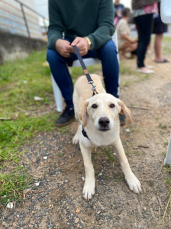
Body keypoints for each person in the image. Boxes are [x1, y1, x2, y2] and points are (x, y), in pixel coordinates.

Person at [47, 0, 125, 127]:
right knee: (52, 55)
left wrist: (89, 40)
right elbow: (54, 27)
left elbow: (107, 25)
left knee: (110, 49)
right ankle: (71, 106)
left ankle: (113, 102)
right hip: (71, 43)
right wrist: (56, 41)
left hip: (97, 40)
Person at [132, 0, 159, 74]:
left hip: (143, 12)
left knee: (143, 39)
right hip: (143, 12)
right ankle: (140, 66)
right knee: (144, 39)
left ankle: (141, 64)